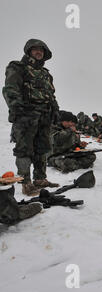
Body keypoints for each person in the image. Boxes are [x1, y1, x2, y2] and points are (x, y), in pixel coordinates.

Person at [2, 39, 60, 196]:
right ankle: (25, 182)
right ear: (28, 51)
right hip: (26, 116)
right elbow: (10, 89)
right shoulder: (18, 67)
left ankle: (40, 179)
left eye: (41, 50)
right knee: (24, 150)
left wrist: (55, 110)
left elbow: (51, 95)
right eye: (35, 49)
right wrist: (17, 109)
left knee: (42, 149)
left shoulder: (46, 74)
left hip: (44, 117)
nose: (38, 52)